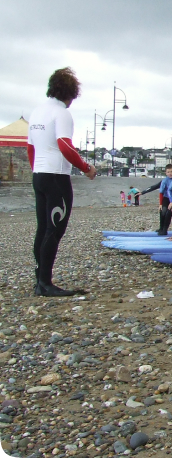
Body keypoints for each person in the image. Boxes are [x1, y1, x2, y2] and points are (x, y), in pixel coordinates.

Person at [27, 67, 97, 297]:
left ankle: (39, 281)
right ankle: (45, 284)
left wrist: (36, 169)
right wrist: (86, 168)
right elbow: (65, 145)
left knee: (43, 229)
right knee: (54, 230)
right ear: (70, 93)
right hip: (56, 177)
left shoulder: (37, 112)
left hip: (39, 175)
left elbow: (30, 148)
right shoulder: (62, 113)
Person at [136, 164, 172, 235]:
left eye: (171, 171)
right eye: (168, 172)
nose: (170, 173)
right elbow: (153, 187)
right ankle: (161, 228)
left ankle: (165, 229)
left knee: (169, 213)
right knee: (162, 211)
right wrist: (142, 192)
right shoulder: (164, 181)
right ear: (166, 173)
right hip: (166, 198)